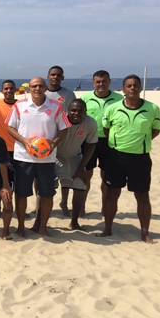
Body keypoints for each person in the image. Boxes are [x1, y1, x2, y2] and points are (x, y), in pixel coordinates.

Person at [6, 77, 70, 237]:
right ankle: (21, 227)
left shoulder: (56, 107)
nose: (37, 89)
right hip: (23, 158)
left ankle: (43, 227)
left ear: (45, 88)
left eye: (41, 86)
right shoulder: (19, 106)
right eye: (34, 86)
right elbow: (10, 127)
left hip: (47, 159)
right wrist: (25, 141)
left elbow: (64, 129)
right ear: (29, 89)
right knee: (21, 194)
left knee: (47, 194)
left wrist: (53, 143)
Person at [101, 75, 160, 244]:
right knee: (111, 194)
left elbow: (155, 130)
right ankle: (107, 229)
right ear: (124, 89)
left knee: (142, 196)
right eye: (129, 85)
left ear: (140, 88)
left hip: (140, 158)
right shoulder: (112, 108)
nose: (132, 88)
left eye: (135, 85)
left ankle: (145, 233)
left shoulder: (152, 108)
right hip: (116, 157)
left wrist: (138, 144)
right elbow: (107, 130)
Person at [80, 70, 123, 215]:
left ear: (109, 82)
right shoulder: (85, 98)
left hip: (109, 143)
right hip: (88, 141)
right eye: (98, 82)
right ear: (93, 83)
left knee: (106, 177)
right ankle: (81, 208)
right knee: (86, 176)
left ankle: (105, 208)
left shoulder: (118, 99)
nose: (101, 84)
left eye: (104, 81)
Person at [54, 99, 97, 230]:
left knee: (80, 186)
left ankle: (74, 222)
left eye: (80, 111)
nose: (76, 113)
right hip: (55, 156)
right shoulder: (58, 120)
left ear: (85, 112)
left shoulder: (90, 122)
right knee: (45, 189)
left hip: (75, 156)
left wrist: (81, 168)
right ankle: (39, 221)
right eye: (73, 110)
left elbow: (91, 145)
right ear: (67, 111)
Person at [0, 80, 18, 216]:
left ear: (15, 90)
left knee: (17, 181)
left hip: (18, 149)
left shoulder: (21, 105)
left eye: (11, 88)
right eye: (6, 89)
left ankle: (18, 208)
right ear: (2, 91)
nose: (8, 91)